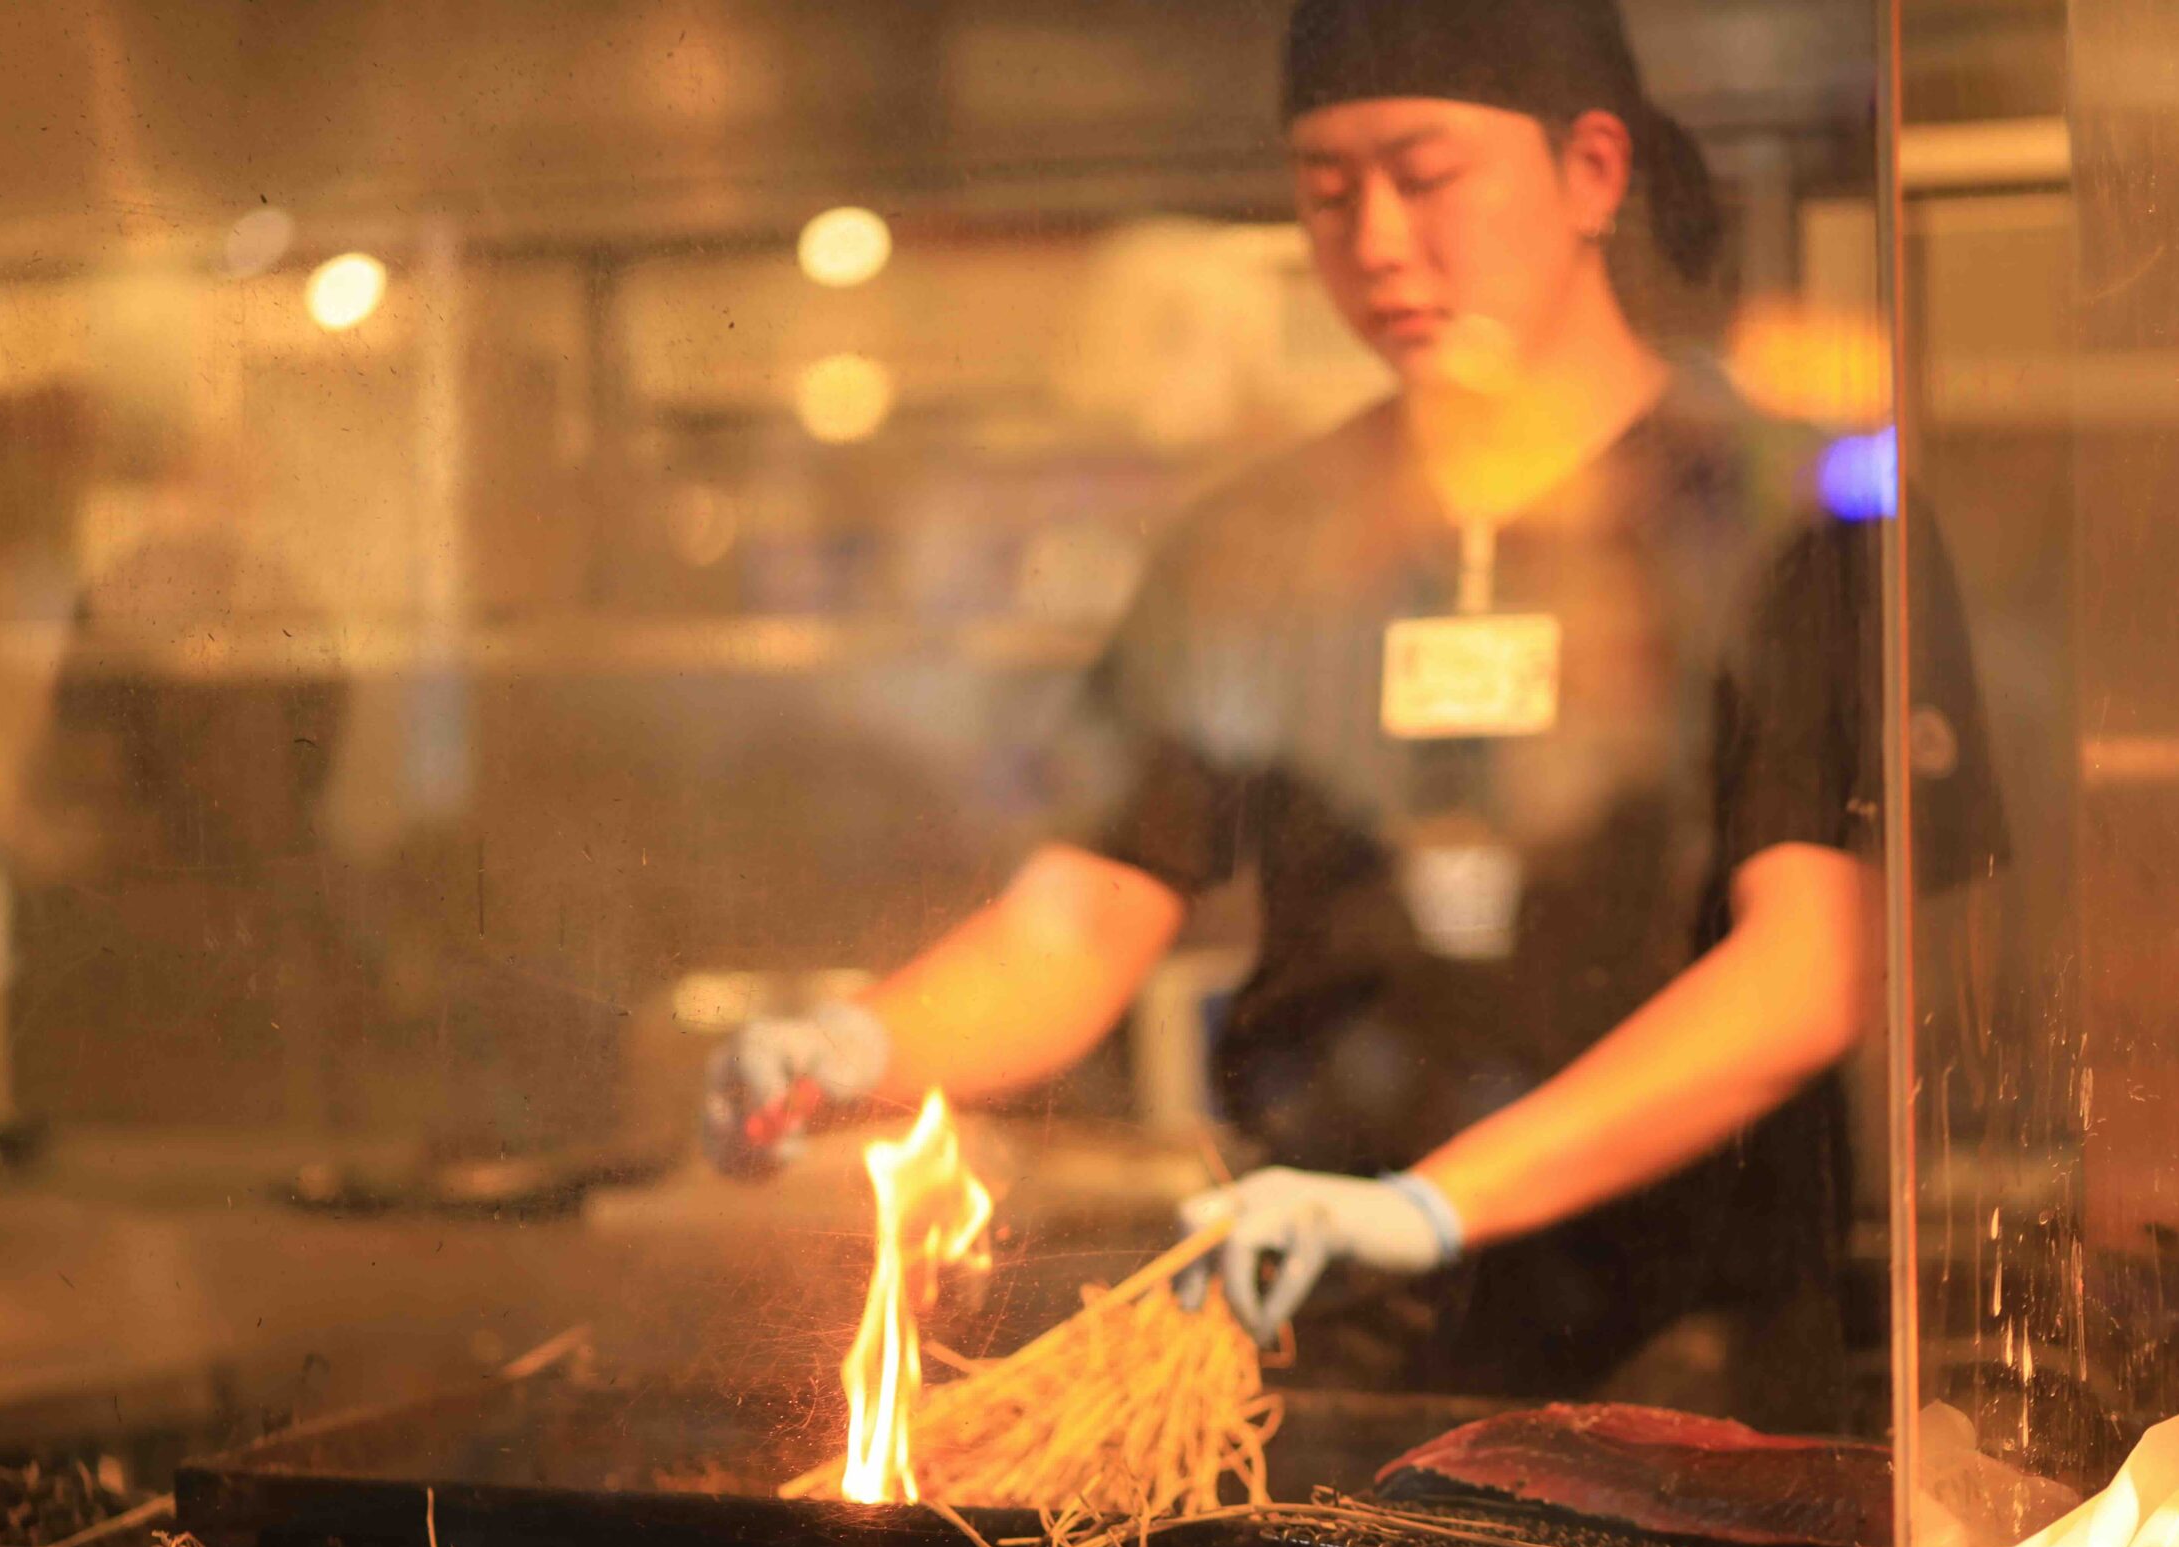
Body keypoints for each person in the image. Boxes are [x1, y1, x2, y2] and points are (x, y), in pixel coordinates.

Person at [706, 0, 2000, 1430]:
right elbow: (1079, 923)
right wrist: (859, 1051)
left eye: (1426, 176)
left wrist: (1440, 1205)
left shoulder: (1791, 516)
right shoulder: (1260, 544)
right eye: (1327, 192)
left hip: (1683, 1386)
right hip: (1320, 1378)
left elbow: (1812, 970)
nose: (1376, 241)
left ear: (1592, 174)